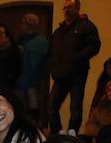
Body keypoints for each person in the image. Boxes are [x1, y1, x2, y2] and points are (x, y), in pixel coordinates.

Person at [47, 0, 101, 133]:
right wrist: (52, 67)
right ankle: (57, 134)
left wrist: (77, 58)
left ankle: (72, 133)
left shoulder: (86, 26)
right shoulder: (58, 31)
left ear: (77, 9)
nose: (66, 10)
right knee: (51, 107)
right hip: (60, 74)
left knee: (75, 107)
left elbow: (94, 46)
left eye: (69, 7)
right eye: (64, 8)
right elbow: (50, 52)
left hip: (77, 73)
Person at [16, 14, 49, 123]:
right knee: (19, 107)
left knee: (34, 107)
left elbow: (43, 63)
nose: (21, 25)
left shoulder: (41, 42)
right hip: (19, 80)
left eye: (23, 22)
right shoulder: (19, 40)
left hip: (34, 81)